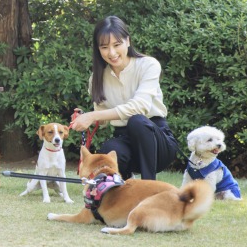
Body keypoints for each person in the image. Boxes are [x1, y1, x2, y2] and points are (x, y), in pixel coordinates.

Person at [70, 16, 178, 181]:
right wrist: (85, 118)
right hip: (126, 141)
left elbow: (139, 107)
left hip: (157, 142)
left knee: (137, 121)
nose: (111, 53)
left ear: (128, 41)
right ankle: (122, 187)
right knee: (109, 148)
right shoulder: (96, 78)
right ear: (98, 49)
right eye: (105, 47)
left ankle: (148, 186)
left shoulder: (148, 65)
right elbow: (103, 120)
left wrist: (93, 116)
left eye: (117, 44)